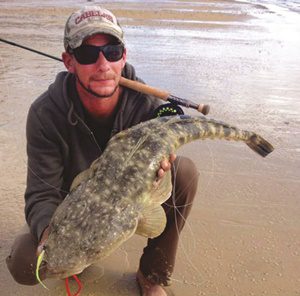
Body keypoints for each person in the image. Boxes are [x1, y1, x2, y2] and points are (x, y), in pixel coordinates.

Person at [6, 6, 199, 296]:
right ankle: (76, 257)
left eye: (111, 51)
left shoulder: (147, 107)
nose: (102, 64)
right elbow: (40, 193)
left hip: (127, 201)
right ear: (69, 61)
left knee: (183, 172)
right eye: (87, 54)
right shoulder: (45, 113)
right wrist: (52, 235)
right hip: (71, 211)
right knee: (25, 262)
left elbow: (171, 131)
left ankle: (151, 274)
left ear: (123, 56)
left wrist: (162, 168)